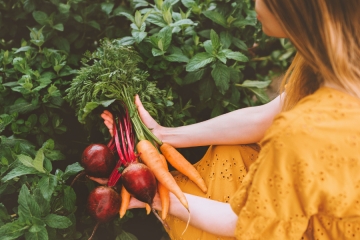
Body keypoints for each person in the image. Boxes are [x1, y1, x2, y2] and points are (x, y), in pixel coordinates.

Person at [100, 0, 360, 239]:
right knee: (228, 155)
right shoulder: (344, 52)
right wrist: (162, 134)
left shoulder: (300, 132)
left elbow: (241, 223)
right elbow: (266, 117)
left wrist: (157, 195)